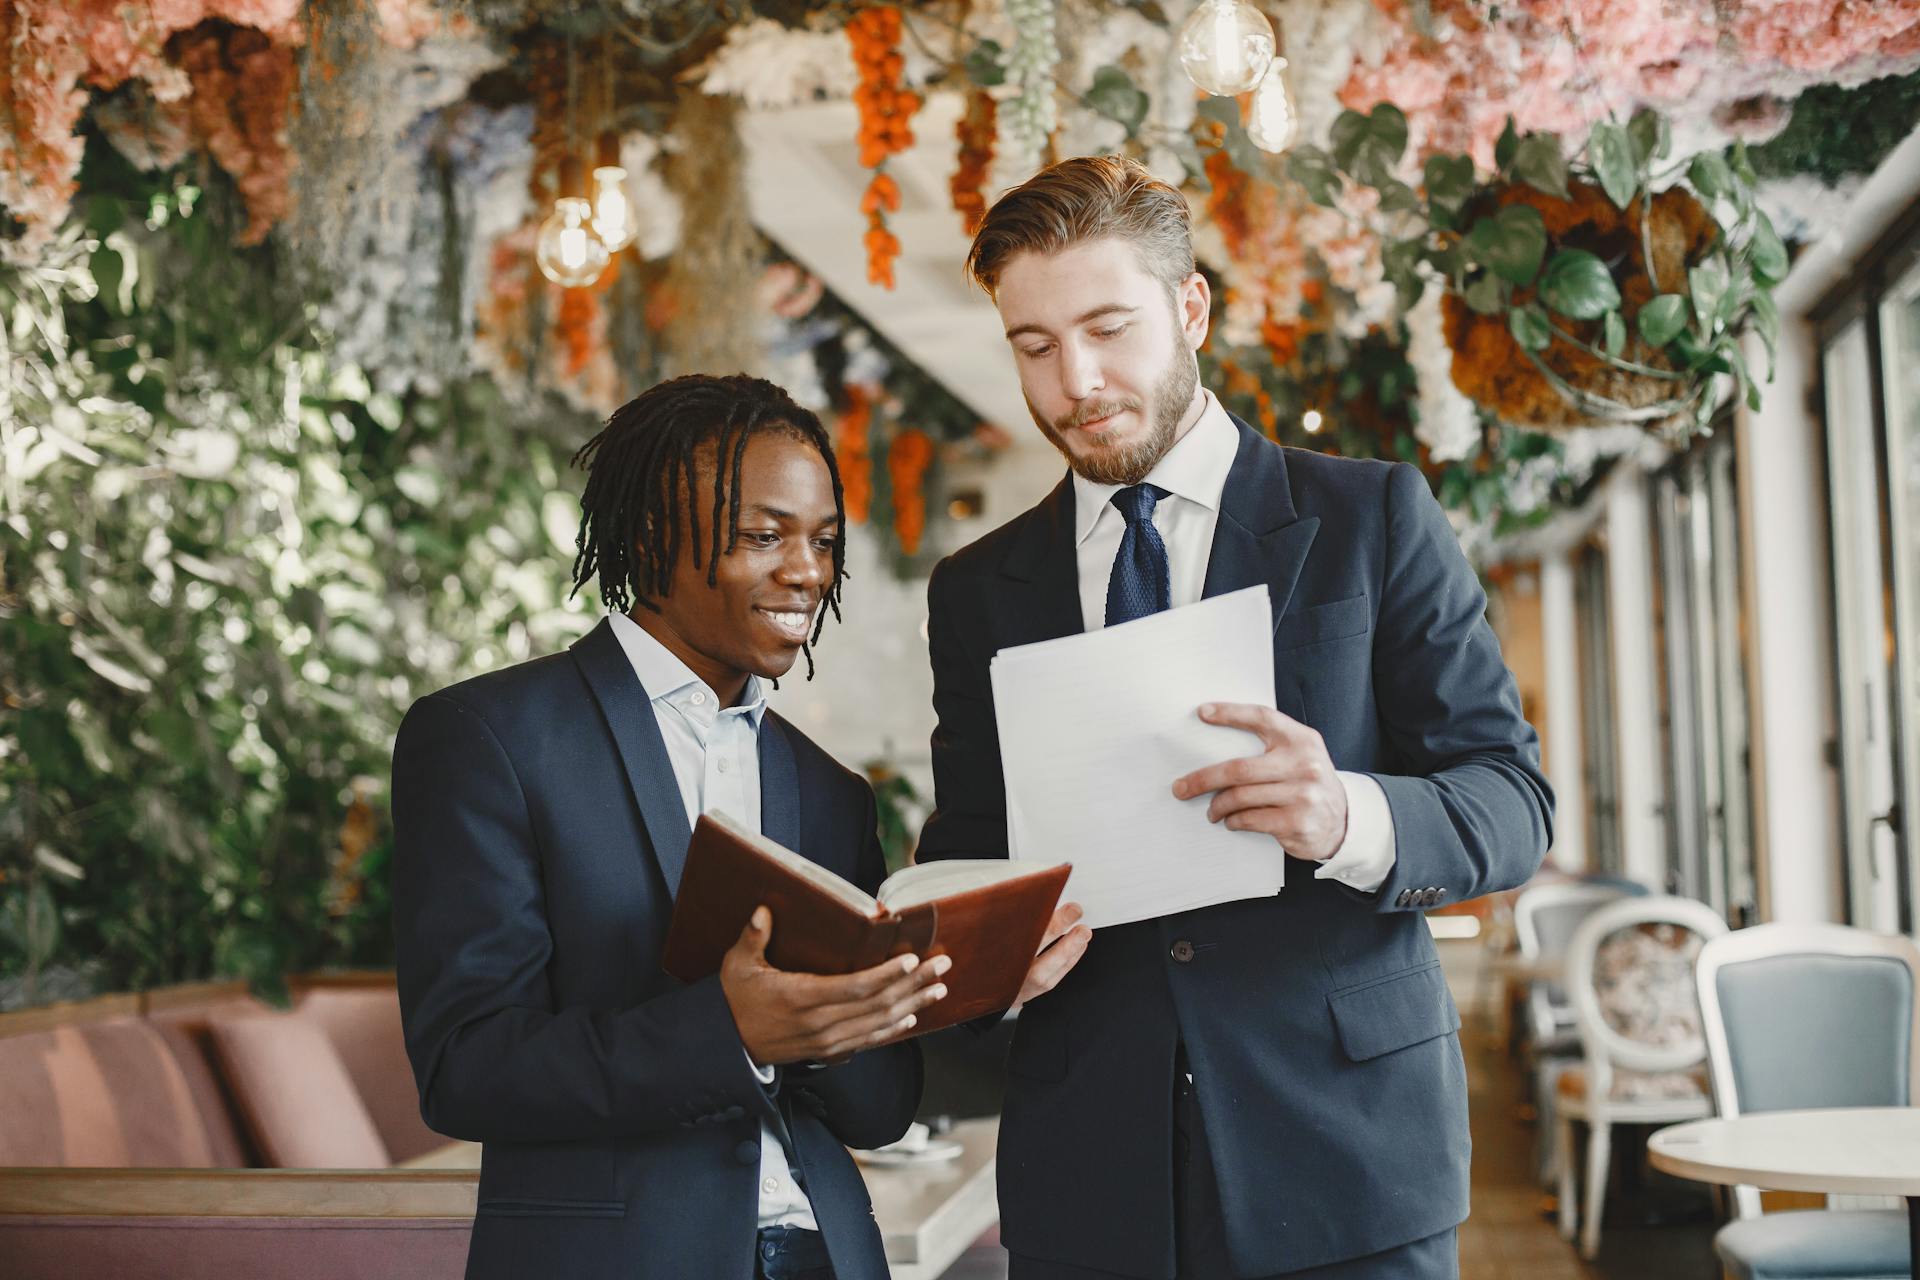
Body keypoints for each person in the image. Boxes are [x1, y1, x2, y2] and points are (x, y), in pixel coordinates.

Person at [916, 156, 1554, 1279]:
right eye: (1035, 346)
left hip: (1347, 1148)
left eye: (1110, 327)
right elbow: (966, 850)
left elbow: (1511, 801)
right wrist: (986, 958)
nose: (1078, 379)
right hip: (1092, 1173)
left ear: (1192, 307)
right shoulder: (977, 589)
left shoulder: (1373, 517)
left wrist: (1347, 814)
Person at [392, 374, 948, 1280]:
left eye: (823, 541)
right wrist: (727, 1034)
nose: (807, 570)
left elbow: (881, 1111)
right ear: (654, 536)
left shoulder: (831, 790)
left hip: (831, 1257)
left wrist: (893, 1001)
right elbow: (467, 1064)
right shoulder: (489, 739)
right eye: (763, 536)